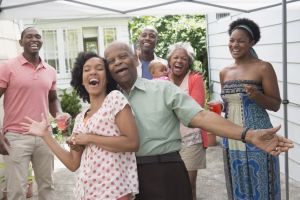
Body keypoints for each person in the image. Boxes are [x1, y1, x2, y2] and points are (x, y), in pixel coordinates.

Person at [103, 41, 293, 200]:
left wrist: (249, 135)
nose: (117, 62)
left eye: (122, 56)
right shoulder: (107, 101)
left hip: (164, 173)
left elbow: (201, 116)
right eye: (111, 61)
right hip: (123, 177)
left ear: (136, 59)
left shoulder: (162, 90)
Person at [21, 52, 139, 200]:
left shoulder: (115, 99)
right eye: (87, 69)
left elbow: (132, 143)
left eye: (99, 68)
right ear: (81, 80)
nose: (93, 72)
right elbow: (72, 164)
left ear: (107, 78)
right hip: (86, 193)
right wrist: (46, 135)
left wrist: (89, 138)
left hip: (113, 191)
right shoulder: (80, 119)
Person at [0, 27, 67, 200]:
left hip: (44, 136)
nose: (34, 39)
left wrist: (59, 113)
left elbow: (53, 99)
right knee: (17, 191)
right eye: (29, 36)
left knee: (48, 187)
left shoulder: (50, 70)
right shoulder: (8, 67)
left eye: (38, 36)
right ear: (21, 42)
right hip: (15, 137)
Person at [219, 18, 282, 200]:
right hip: (231, 137)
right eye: (232, 40)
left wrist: (258, 96)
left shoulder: (263, 67)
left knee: (263, 185)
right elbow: (231, 104)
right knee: (237, 184)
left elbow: (275, 104)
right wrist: (221, 107)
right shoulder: (225, 72)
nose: (234, 44)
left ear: (251, 42)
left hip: (259, 134)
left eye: (240, 40)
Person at [167, 42, 208, 200]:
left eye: (183, 58)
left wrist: (169, 109)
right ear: (169, 60)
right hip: (168, 139)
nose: (179, 61)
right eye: (175, 57)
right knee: (171, 185)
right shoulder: (162, 79)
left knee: (188, 184)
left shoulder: (195, 78)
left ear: (189, 62)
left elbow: (194, 108)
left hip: (191, 139)